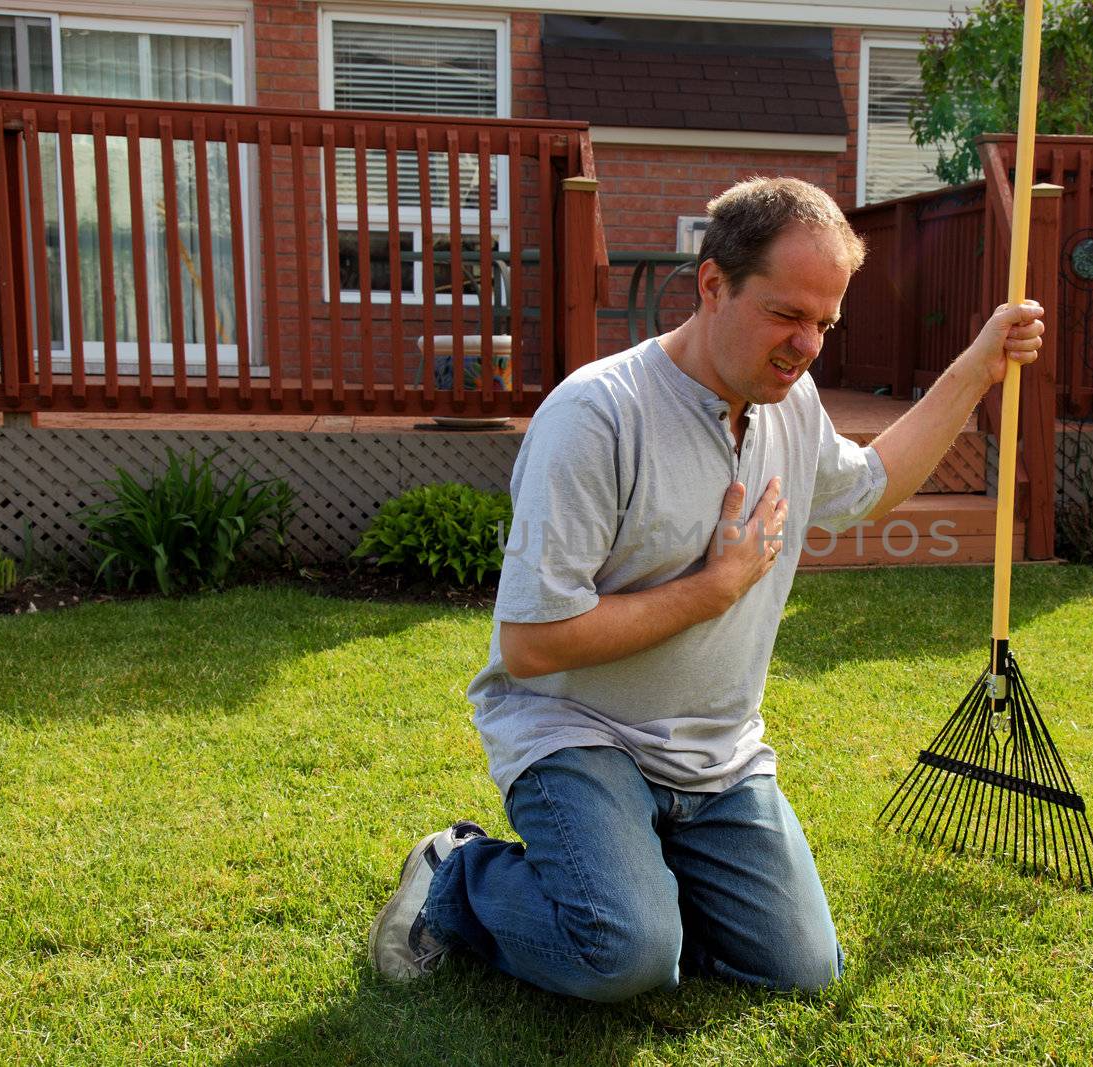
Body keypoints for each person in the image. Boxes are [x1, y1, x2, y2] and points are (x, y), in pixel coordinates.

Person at [369, 176, 1044, 1001]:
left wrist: (979, 367)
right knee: (626, 953)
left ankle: (647, 878)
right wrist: (715, 586)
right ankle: (455, 875)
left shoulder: (788, 408)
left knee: (801, 970)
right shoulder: (597, 416)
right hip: (579, 730)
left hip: (718, 756)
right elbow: (531, 643)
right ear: (714, 284)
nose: (807, 346)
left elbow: (872, 483)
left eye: (825, 322)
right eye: (787, 314)